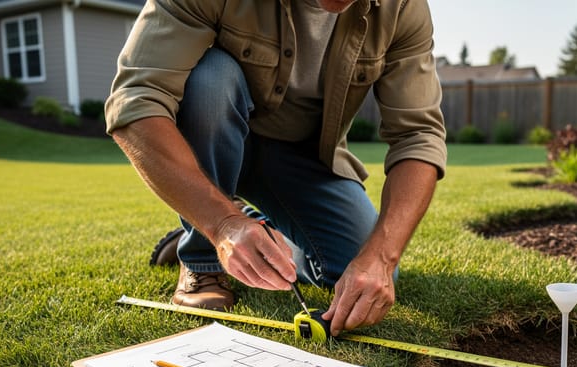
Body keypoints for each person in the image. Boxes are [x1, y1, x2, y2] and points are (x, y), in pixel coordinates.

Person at [105, 0, 447, 336]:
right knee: (211, 79)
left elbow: (418, 134)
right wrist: (221, 223)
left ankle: (258, 233)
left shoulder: (402, 7)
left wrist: (382, 258)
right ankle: (203, 256)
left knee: (357, 266)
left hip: (303, 157)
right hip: (216, 133)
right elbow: (136, 99)